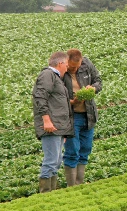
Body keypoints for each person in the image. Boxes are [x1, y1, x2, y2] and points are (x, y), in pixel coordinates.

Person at [32, 51, 74, 193]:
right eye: (67, 65)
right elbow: (40, 96)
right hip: (51, 126)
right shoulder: (47, 75)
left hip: (58, 126)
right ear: (60, 63)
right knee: (51, 161)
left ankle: (52, 192)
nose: (67, 68)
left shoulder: (55, 77)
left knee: (56, 161)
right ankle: (45, 194)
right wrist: (46, 120)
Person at [62, 48, 102, 186]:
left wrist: (93, 89)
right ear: (66, 62)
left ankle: (79, 183)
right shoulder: (61, 72)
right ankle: (71, 186)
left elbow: (98, 81)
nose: (75, 69)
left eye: (78, 66)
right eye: (72, 67)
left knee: (85, 149)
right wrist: (70, 102)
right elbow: (55, 96)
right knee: (72, 151)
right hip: (72, 117)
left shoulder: (87, 64)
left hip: (88, 114)